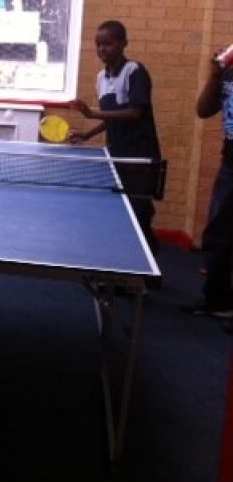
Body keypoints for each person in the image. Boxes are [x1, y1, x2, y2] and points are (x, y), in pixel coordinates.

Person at [69, 20, 162, 261]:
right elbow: (113, 119)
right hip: (116, 154)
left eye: (108, 44)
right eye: (98, 45)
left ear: (123, 44)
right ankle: (124, 267)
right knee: (121, 212)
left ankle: (147, 270)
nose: (102, 49)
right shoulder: (101, 77)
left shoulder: (135, 71)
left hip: (140, 156)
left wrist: (92, 113)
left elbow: (134, 113)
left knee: (139, 213)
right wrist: (87, 134)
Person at [182, 48, 233, 318]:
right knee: (217, 234)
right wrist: (215, 76)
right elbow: (203, 110)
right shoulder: (227, 71)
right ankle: (218, 300)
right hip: (231, 163)